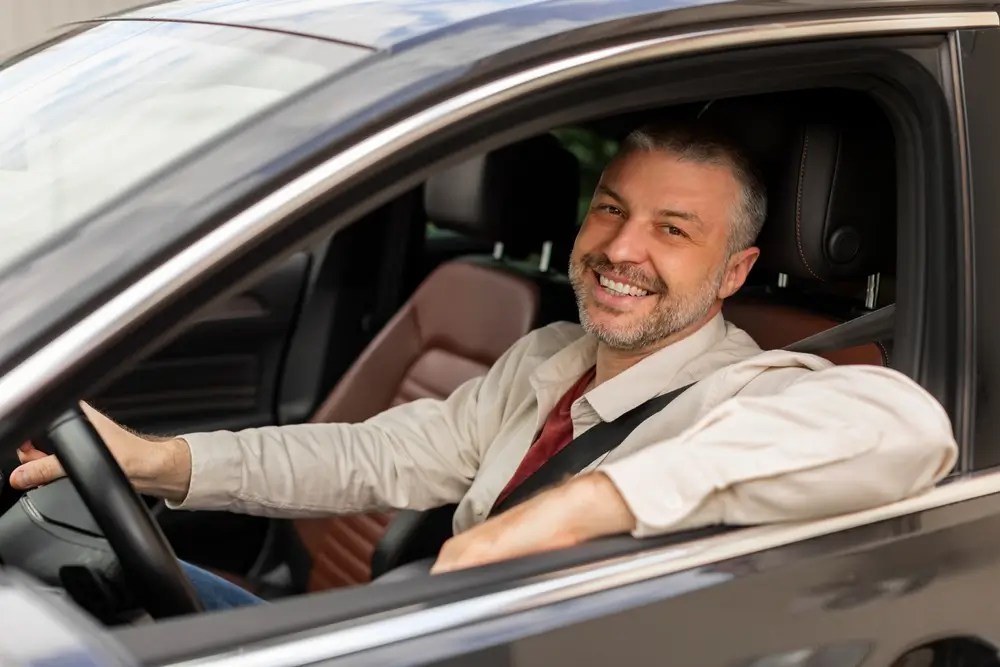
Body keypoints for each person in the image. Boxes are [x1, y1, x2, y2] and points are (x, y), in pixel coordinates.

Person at [10, 123, 958, 610]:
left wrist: (580, 507)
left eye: (673, 229)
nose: (621, 248)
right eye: (610, 209)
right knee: (73, 568)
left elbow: (908, 428)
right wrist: (161, 461)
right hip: (428, 624)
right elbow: (371, 456)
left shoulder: (743, 393)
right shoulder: (549, 356)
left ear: (736, 272)